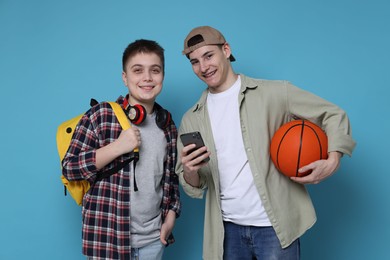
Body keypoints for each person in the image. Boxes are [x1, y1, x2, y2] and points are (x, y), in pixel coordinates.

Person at [175, 26, 356, 260]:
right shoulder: (192, 118)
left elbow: (333, 115)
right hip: (226, 231)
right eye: (195, 62)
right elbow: (193, 186)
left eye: (209, 56)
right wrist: (190, 171)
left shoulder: (274, 93)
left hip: (274, 227)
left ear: (226, 50)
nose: (203, 67)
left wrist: (333, 159)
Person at [62, 39, 181, 260]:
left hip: (153, 241)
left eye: (155, 70)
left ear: (162, 76)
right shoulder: (101, 115)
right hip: (108, 239)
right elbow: (69, 168)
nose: (147, 78)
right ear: (125, 77)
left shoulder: (167, 125)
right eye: (138, 71)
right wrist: (117, 147)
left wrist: (171, 215)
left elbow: (171, 179)